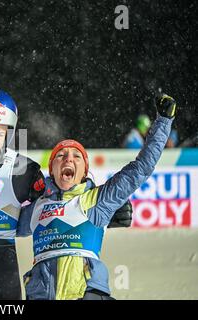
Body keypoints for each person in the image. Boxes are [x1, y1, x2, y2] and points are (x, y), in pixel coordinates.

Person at [0, 88, 133, 300]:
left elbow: (58, 201)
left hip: (0, 261)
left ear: (8, 135)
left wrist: (105, 213)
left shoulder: (23, 171)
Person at [18, 93, 177, 300]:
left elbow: (142, 167)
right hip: (41, 295)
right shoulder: (36, 205)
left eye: (76, 156)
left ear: (84, 171)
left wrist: (163, 121)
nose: (68, 158)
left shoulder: (98, 199)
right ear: (53, 169)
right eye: (61, 155)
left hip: (87, 294)